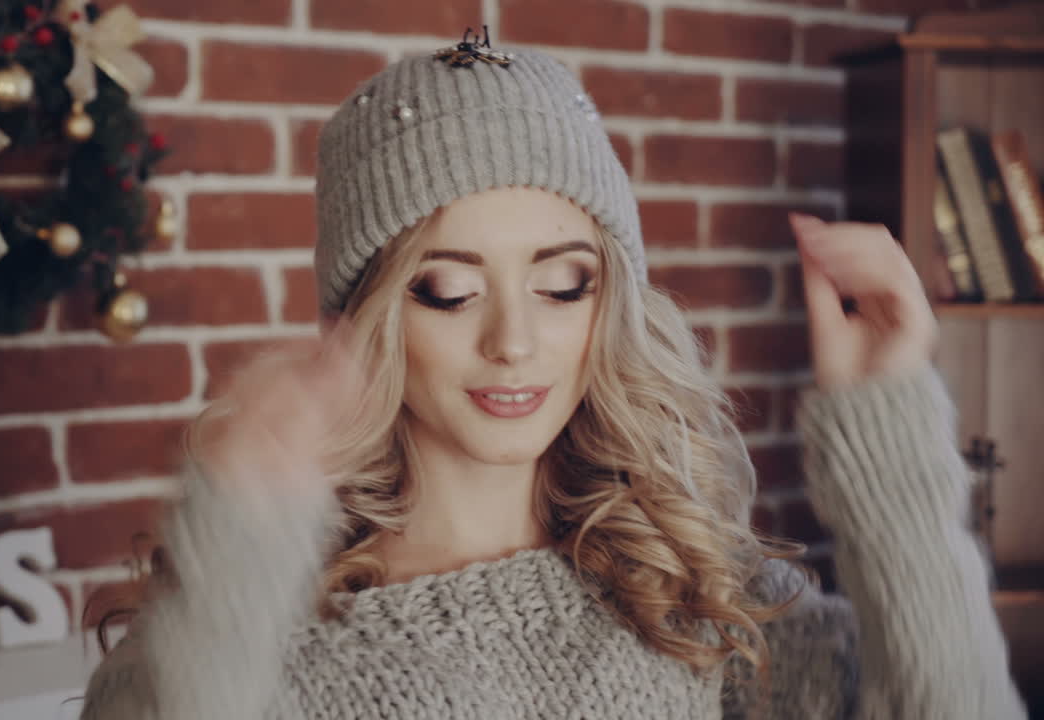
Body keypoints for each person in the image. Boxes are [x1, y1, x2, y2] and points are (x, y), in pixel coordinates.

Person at [78, 38, 1026, 720]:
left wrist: (891, 458)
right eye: (448, 292)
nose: (515, 342)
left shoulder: (707, 606)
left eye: (564, 284)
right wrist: (239, 556)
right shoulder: (263, 643)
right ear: (369, 317)